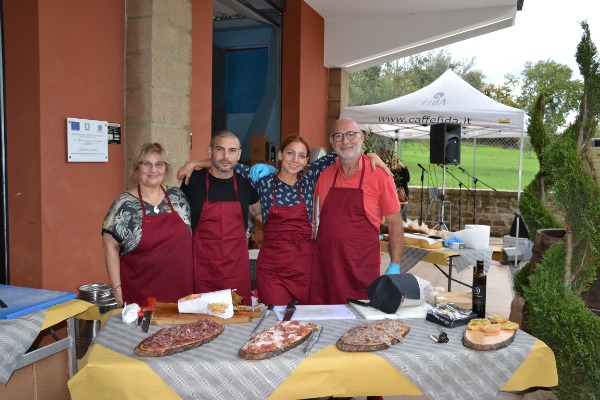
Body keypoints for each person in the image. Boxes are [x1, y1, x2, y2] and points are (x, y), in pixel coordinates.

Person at [178, 135, 389, 306]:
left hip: (305, 267)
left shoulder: (310, 179)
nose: (295, 160)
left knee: (302, 323)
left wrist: (370, 154)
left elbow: (346, 150)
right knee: (276, 322)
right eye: (290, 153)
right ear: (280, 155)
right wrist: (195, 163)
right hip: (272, 270)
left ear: (307, 160)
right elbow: (226, 163)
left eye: (301, 156)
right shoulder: (262, 181)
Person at [310, 118, 405, 306]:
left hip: (360, 271)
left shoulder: (380, 176)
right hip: (326, 270)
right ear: (331, 141)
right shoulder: (324, 174)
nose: (345, 141)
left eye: (351, 134)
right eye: (339, 136)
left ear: (361, 137)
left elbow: (395, 222)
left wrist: (395, 264)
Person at [102, 143, 194, 307]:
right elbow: (110, 247)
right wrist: (117, 289)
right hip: (141, 296)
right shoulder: (123, 205)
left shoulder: (178, 197)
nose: (153, 170)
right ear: (137, 168)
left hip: (182, 294)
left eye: (159, 164)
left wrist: (194, 164)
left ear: (166, 169)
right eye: (147, 164)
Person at [180, 130, 260, 306]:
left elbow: (263, 215)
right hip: (202, 274)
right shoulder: (192, 182)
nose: (225, 156)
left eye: (232, 151)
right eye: (220, 149)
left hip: (236, 275)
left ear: (239, 154)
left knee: (238, 327)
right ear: (210, 152)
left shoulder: (246, 185)